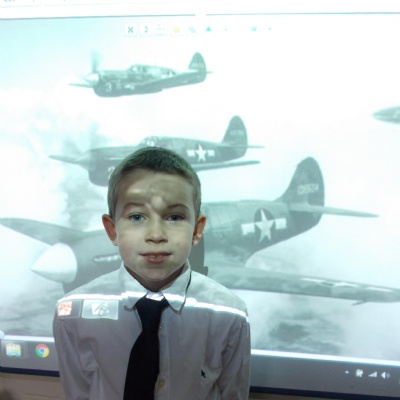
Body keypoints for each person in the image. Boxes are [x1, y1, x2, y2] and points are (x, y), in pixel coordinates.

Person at [53, 146, 251, 400]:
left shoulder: (230, 315)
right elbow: (79, 392)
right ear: (112, 230)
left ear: (197, 230)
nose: (156, 235)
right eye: (137, 217)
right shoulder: (72, 313)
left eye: (174, 217)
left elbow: (232, 394)